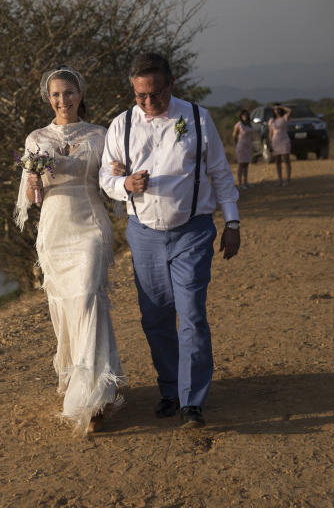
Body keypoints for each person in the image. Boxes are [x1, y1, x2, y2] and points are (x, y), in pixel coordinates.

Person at [100, 53, 240, 428]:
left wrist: (232, 221)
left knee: (192, 313)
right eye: (140, 95)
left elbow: (220, 174)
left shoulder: (197, 118)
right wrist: (123, 185)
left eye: (155, 95)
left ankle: (192, 402)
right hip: (143, 234)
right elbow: (105, 178)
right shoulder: (122, 124)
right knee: (155, 317)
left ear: (171, 85)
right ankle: (170, 388)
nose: (148, 103)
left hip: (192, 230)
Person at [14, 65, 124, 435]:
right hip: (55, 229)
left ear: (81, 95)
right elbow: (32, 198)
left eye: (69, 93)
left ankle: (90, 400)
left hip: (89, 226)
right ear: (49, 98)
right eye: (56, 94)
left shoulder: (100, 134)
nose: (63, 100)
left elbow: (109, 182)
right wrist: (33, 180)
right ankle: (91, 386)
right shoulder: (36, 138)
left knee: (89, 300)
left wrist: (125, 176)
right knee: (65, 307)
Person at [268, 103, 292, 186]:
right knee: (277, 161)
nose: (276, 111)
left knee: (286, 160)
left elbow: (290, 111)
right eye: (275, 109)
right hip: (276, 141)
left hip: (284, 140)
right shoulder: (272, 120)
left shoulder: (284, 118)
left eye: (277, 109)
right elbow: (270, 132)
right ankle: (280, 180)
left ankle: (288, 180)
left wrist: (281, 106)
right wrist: (270, 143)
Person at [232, 109, 254, 189]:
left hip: (248, 146)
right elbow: (234, 135)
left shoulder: (249, 125)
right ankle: (240, 183)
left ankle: (246, 182)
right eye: (243, 115)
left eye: (246, 115)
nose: (245, 116)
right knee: (241, 164)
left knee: (246, 164)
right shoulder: (239, 124)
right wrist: (236, 145)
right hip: (241, 146)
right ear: (241, 116)